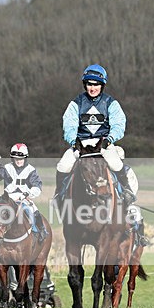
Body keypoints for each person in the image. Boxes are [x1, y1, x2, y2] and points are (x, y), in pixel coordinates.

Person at [53, 64, 135, 208]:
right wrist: (73, 141)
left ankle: (126, 191)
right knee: (63, 165)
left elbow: (119, 124)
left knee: (115, 163)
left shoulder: (111, 103)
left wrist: (109, 140)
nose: (93, 88)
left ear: (102, 85)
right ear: (85, 84)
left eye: (96, 84)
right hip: (81, 143)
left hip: (103, 143)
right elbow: (69, 124)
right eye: (90, 84)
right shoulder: (75, 103)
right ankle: (59, 195)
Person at [0, 143, 47, 241]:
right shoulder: (6, 168)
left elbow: (37, 186)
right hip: (8, 197)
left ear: (25, 158)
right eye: (16, 158)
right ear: (12, 158)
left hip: (24, 198)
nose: (18, 161)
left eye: (21, 158)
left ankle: (40, 230)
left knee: (33, 211)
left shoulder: (31, 170)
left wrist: (28, 193)